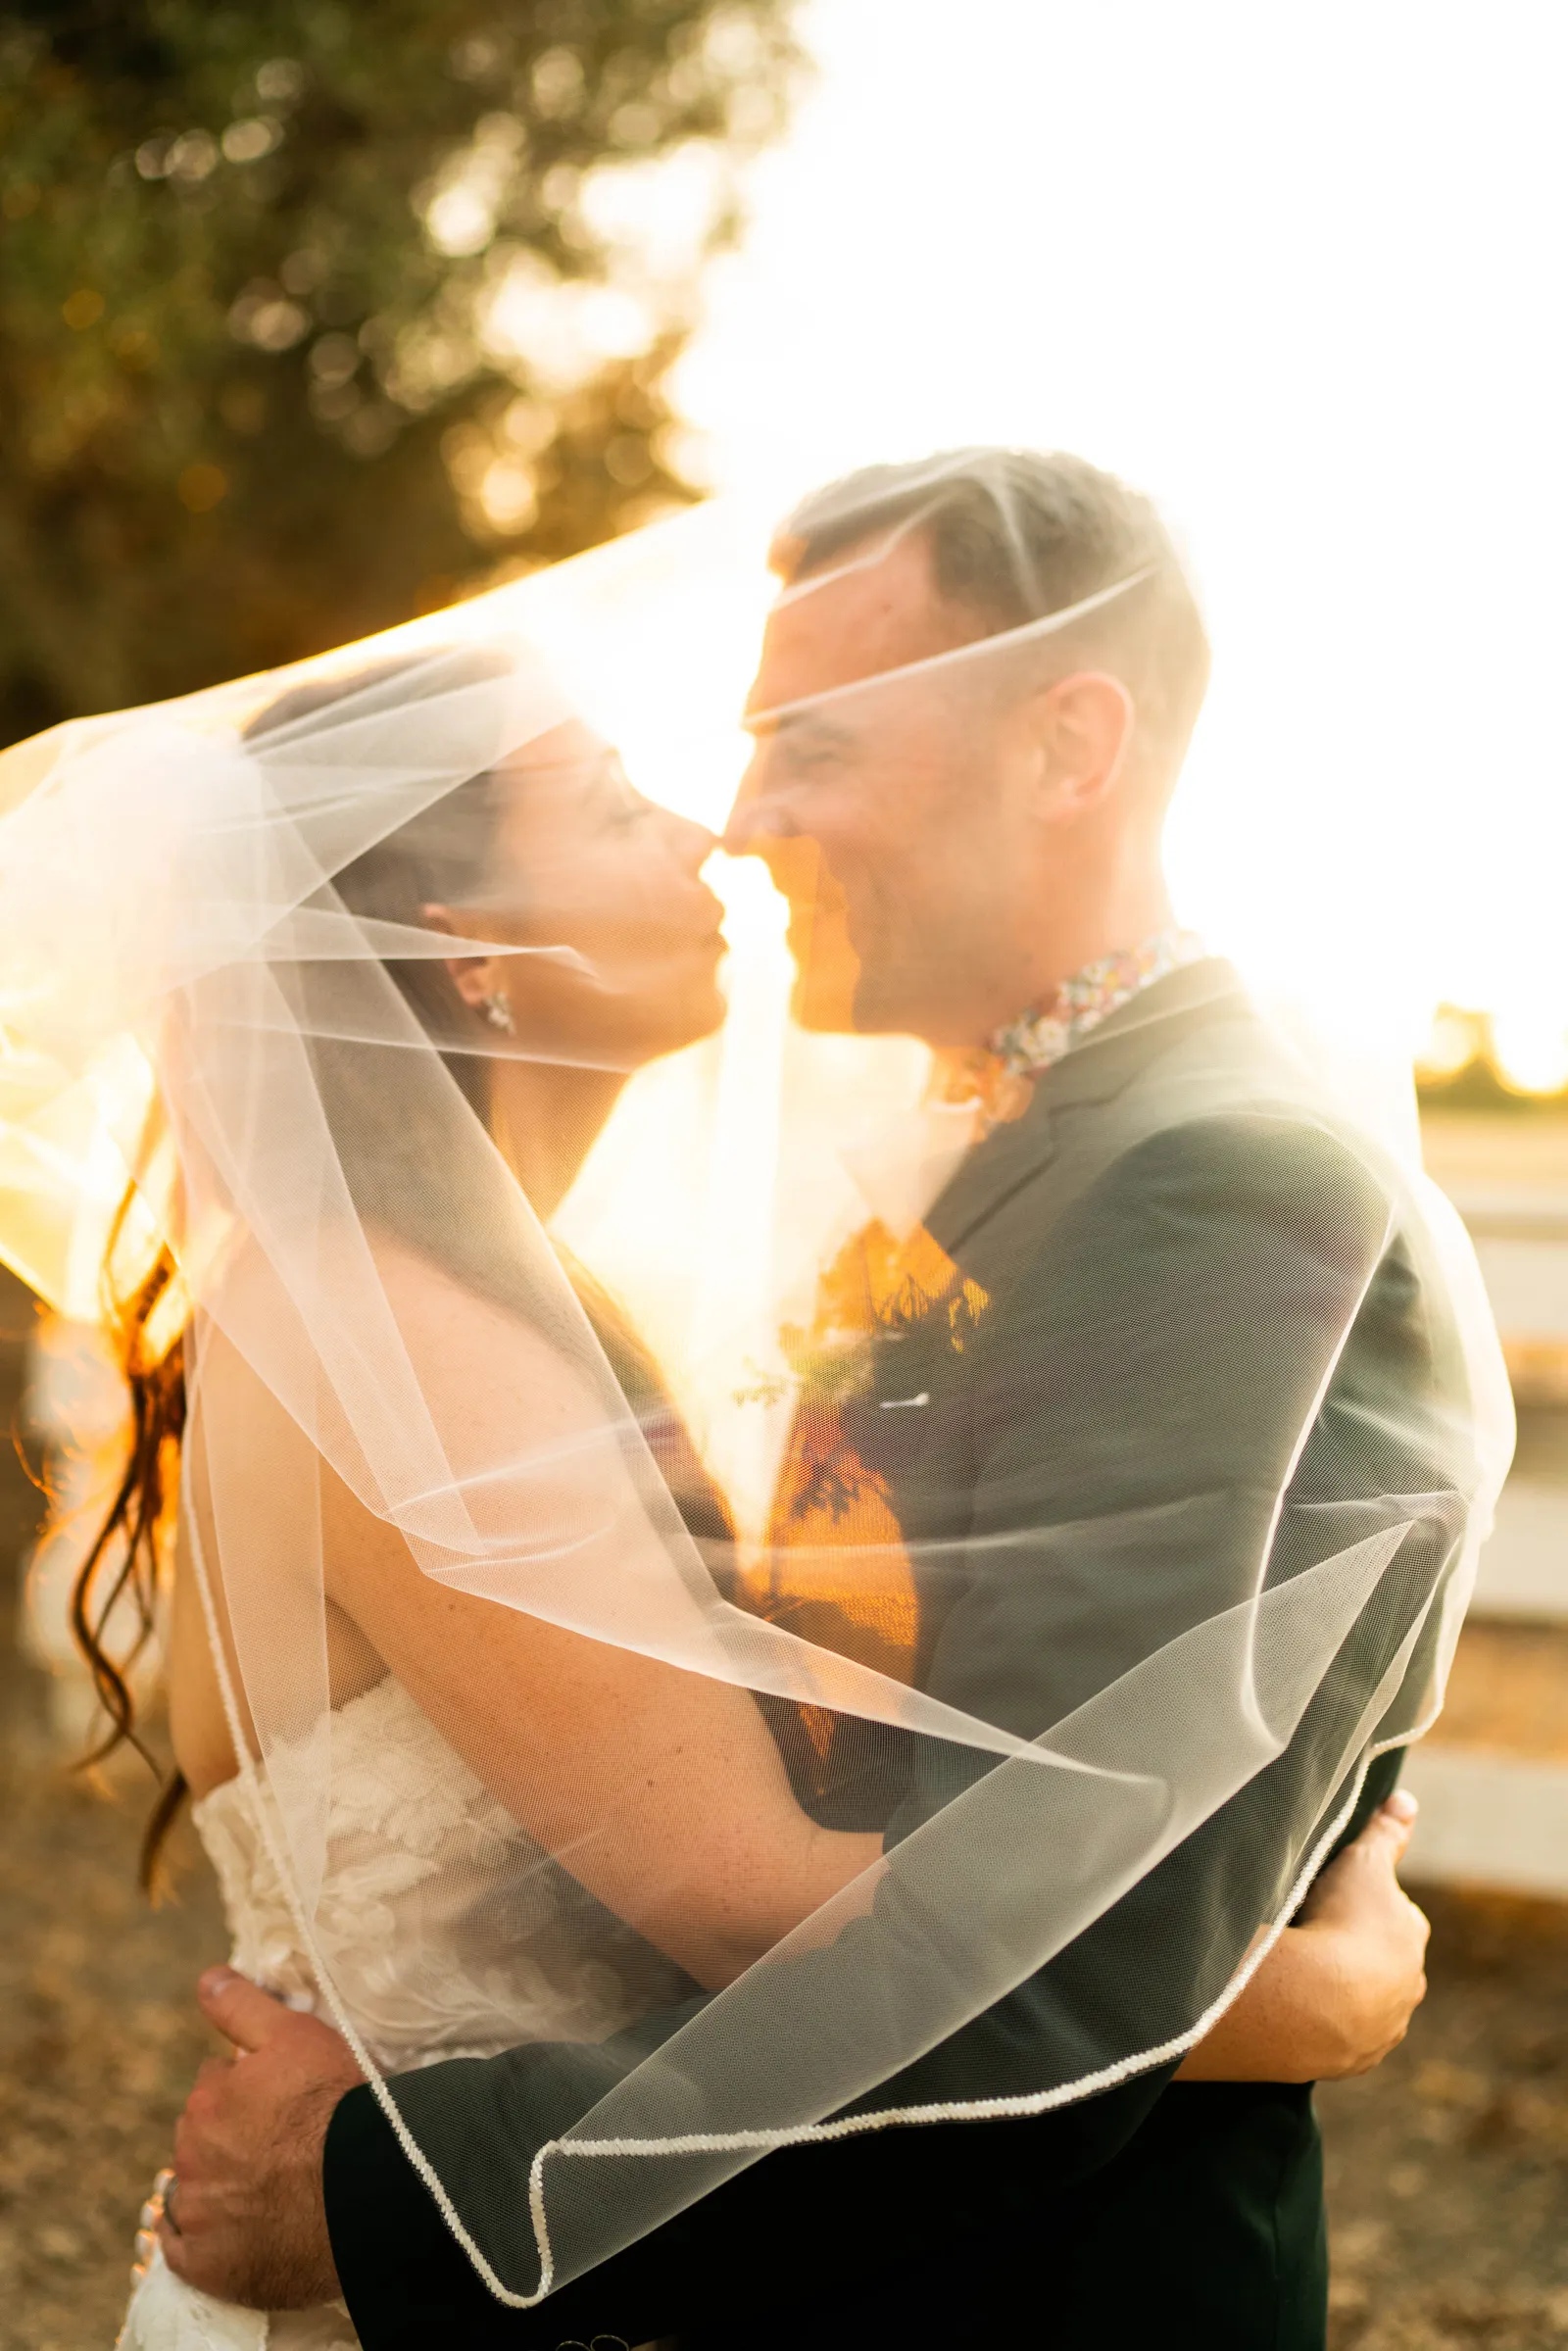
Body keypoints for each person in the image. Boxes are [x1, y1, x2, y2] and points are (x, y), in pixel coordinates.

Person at [141, 453, 1506, 2351]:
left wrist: (380, 2183)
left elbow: (1038, 1957)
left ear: (1065, 744)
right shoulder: (405, 1315)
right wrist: (1305, 1983)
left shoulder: (1202, 1183)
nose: (735, 822)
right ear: (466, 943)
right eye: (642, 790)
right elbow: (784, 1876)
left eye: (807, 747)